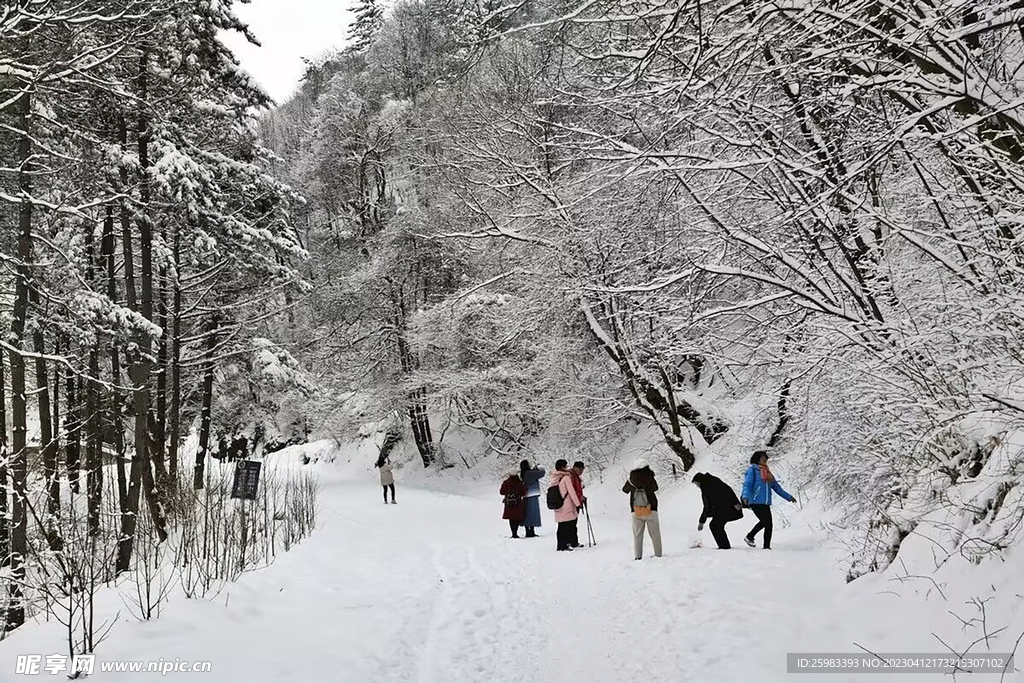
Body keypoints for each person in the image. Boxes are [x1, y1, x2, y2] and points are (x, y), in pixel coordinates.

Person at [741, 450, 797, 549]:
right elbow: (747, 484)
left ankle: (763, 545)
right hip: (755, 501)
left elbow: (776, 487)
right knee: (766, 522)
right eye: (763, 458)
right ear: (757, 459)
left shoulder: (767, 472)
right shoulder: (752, 470)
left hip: (765, 502)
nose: (765, 460)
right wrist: (745, 496)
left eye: (766, 458)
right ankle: (753, 538)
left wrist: (788, 497)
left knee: (768, 524)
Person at [622, 458, 662, 560]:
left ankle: (638, 556)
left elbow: (624, 490)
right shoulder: (650, 477)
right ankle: (658, 554)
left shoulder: (631, 479)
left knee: (637, 535)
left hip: (636, 511)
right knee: (655, 534)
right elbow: (656, 488)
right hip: (651, 509)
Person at [692, 472, 744, 549]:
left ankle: (724, 547)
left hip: (726, 508)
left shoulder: (709, 484)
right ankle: (724, 546)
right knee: (715, 525)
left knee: (715, 525)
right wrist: (702, 521)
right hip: (722, 509)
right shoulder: (709, 483)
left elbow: (727, 490)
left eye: (696, 484)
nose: (697, 486)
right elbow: (707, 506)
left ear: (700, 481)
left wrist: (735, 503)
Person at [548, 459, 582, 551]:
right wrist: (578, 504)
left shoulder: (554, 477)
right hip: (566, 503)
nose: (567, 467)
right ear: (563, 467)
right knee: (567, 526)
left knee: (561, 526)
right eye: (566, 466)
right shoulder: (566, 477)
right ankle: (565, 545)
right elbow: (571, 492)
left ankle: (561, 545)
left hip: (558, 503)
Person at [520, 459, 546, 537]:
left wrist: (534, 469)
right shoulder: (530, 473)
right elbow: (542, 473)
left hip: (525, 495)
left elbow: (533, 473)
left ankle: (527, 531)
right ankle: (532, 531)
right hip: (532, 495)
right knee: (533, 513)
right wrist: (540, 467)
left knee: (526, 514)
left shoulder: (524, 473)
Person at [500, 471, 527, 538]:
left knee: (511, 519)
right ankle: (516, 532)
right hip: (517, 503)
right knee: (517, 518)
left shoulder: (506, 483)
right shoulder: (519, 483)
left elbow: (501, 492)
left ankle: (513, 533)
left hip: (509, 503)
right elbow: (523, 493)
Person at [569, 461, 587, 548]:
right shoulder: (571, 476)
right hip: (572, 502)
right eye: (580, 469)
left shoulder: (576, 476)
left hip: (577, 501)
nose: (581, 471)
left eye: (582, 469)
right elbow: (572, 490)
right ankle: (572, 542)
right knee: (571, 523)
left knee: (573, 523)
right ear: (575, 467)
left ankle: (573, 541)